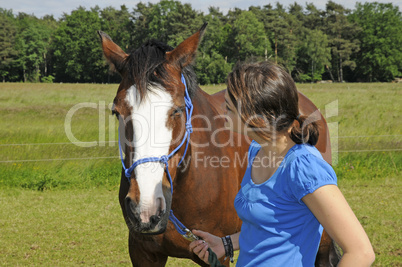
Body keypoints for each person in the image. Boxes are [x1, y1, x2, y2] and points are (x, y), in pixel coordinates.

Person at [189, 62, 375, 266]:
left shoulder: (304, 167)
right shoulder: (256, 151)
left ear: (256, 117)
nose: (222, 113)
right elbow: (267, 228)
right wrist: (225, 243)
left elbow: (361, 252)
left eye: (229, 108)